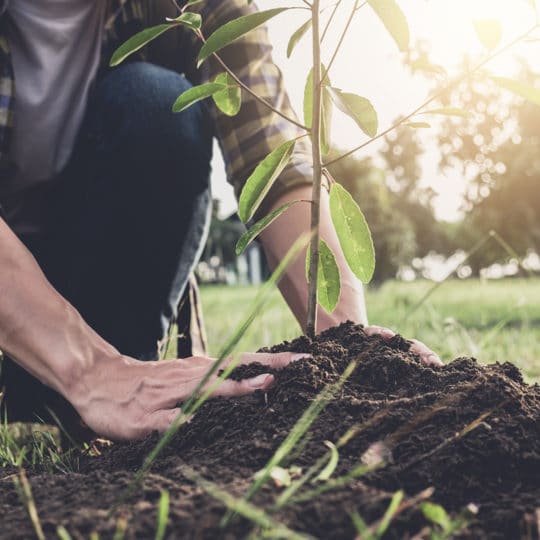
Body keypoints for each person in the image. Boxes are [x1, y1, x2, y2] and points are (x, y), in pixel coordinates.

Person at [0, 0, 441, 442]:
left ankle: (115, 407)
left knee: (155, 104)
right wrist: (90, 370)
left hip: (95, 302)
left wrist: (345, 339)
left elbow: (272, 156)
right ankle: (100, 387)